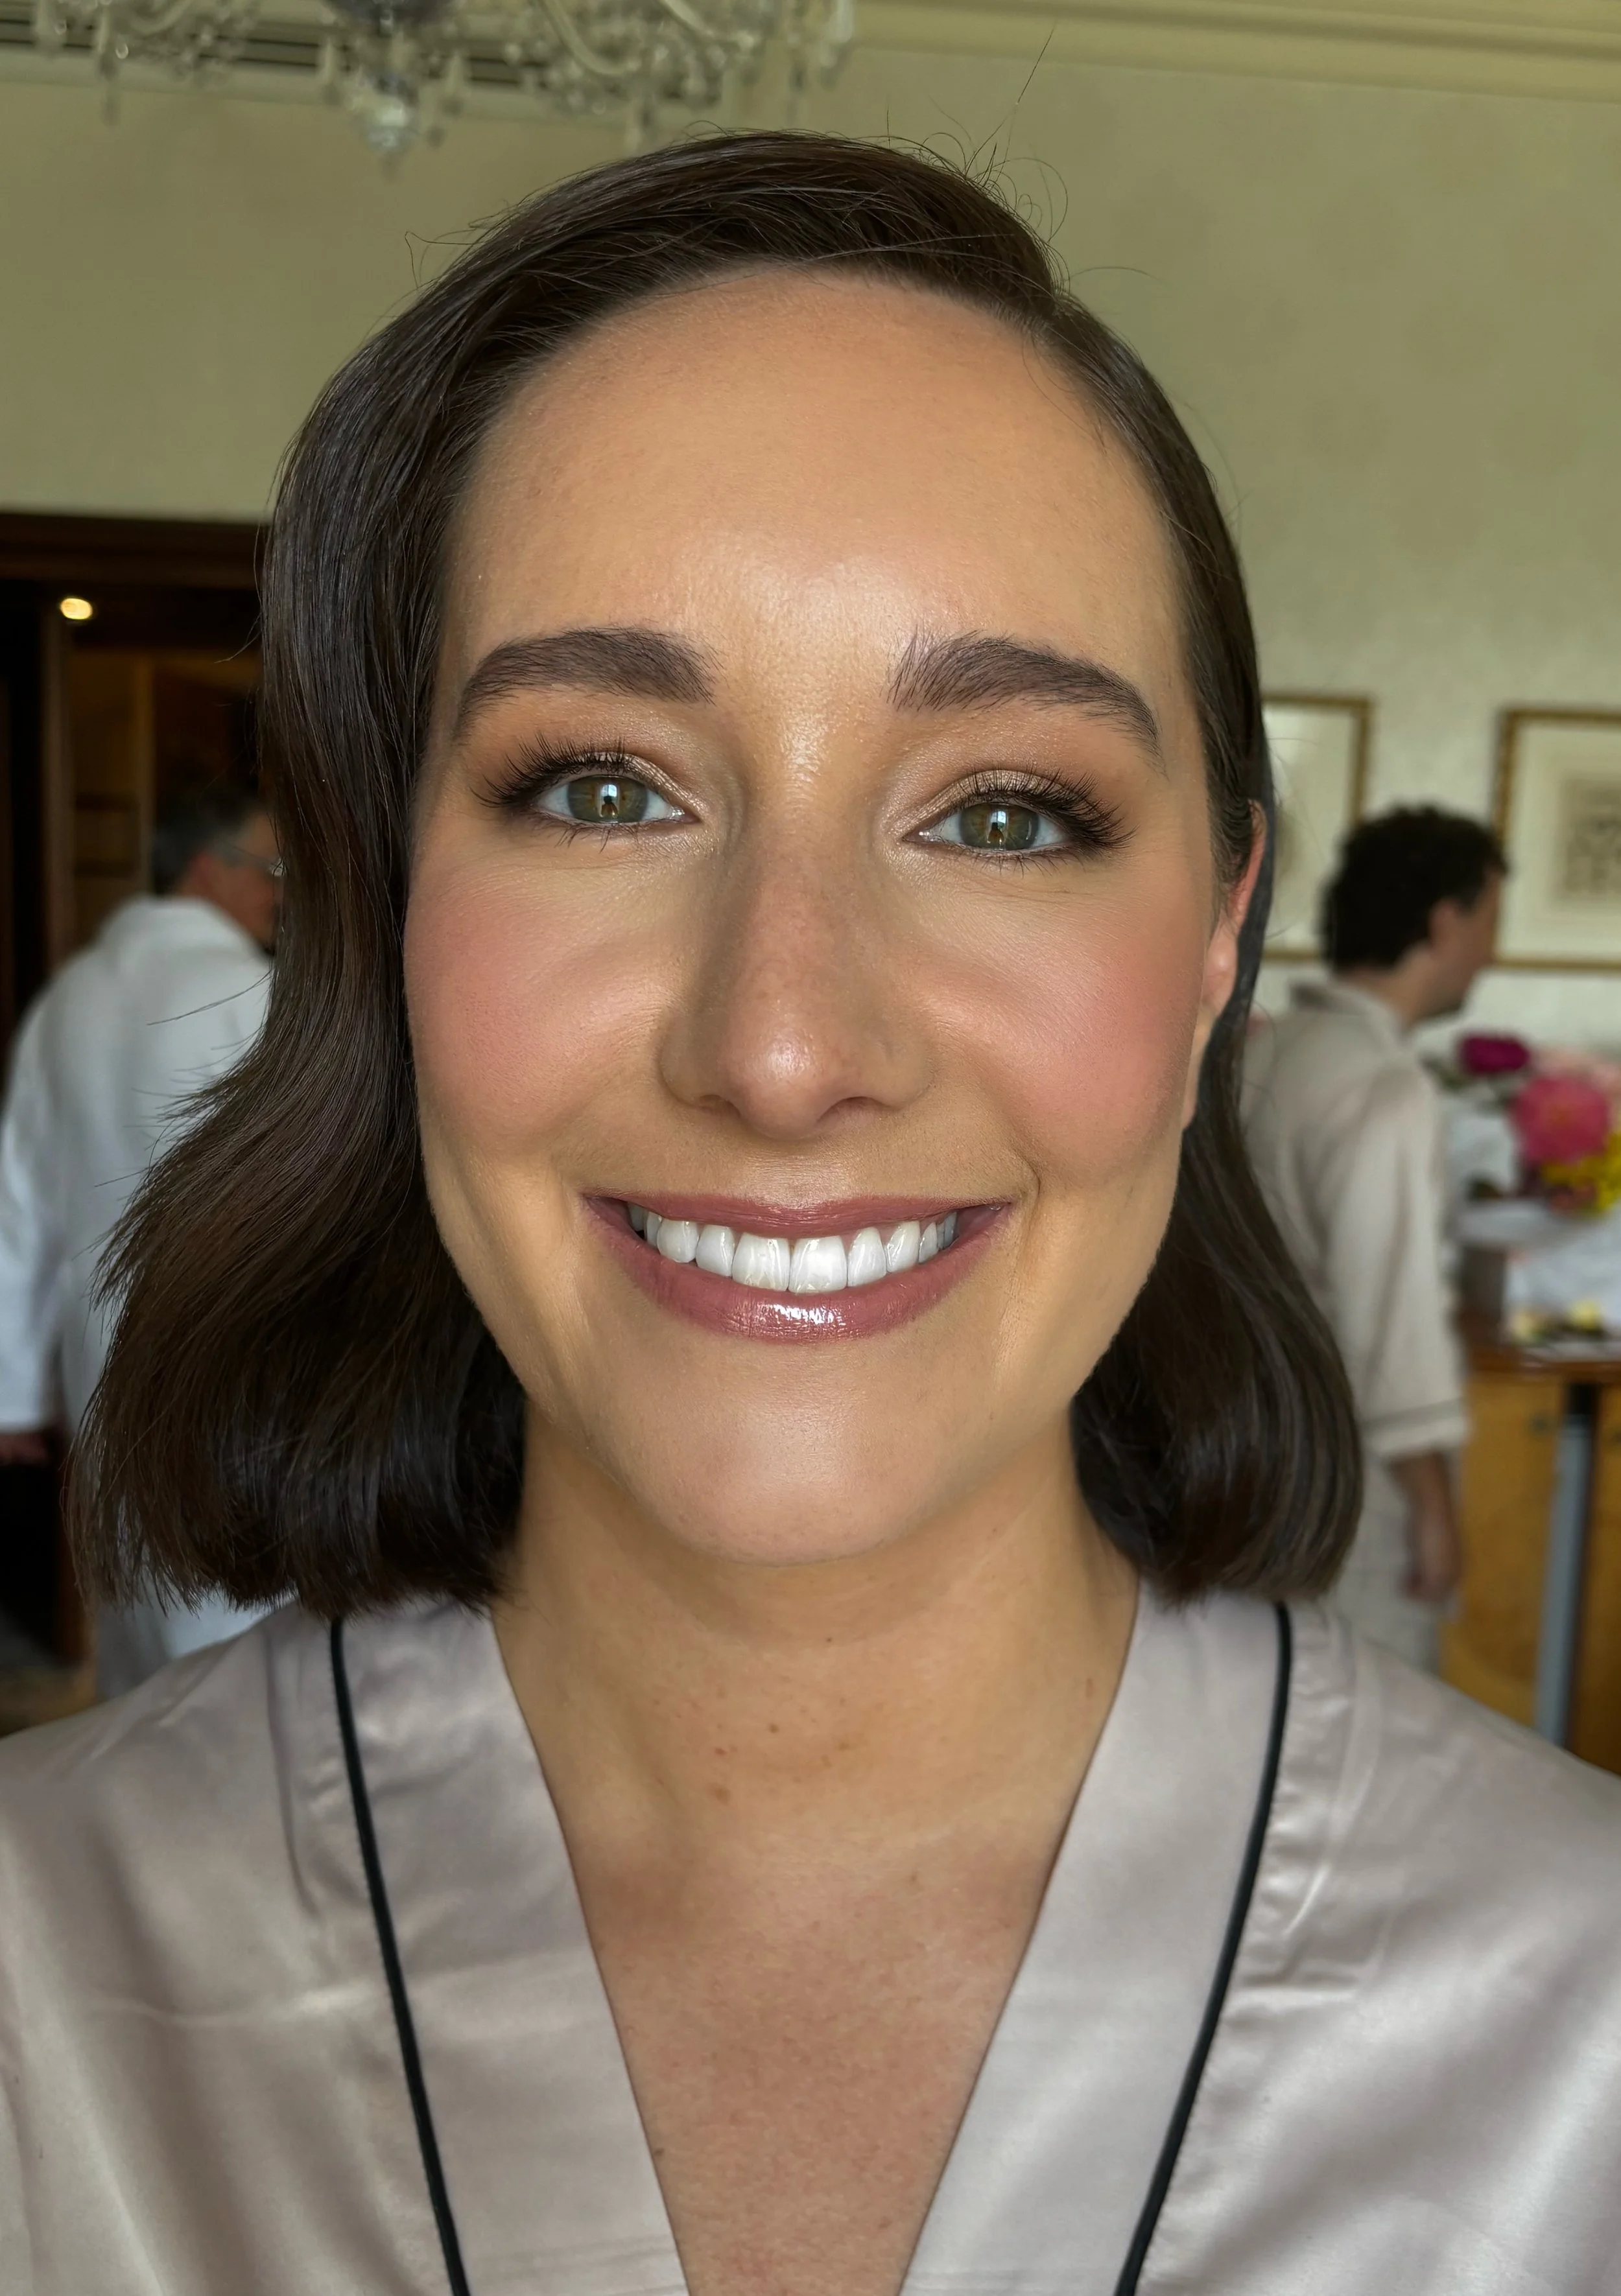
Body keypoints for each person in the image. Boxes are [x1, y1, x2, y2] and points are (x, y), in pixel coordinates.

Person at [1, 137, 1618, 2296]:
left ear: (1218, 933)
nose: (781, 1045)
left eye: (1007, 812)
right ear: (388, 909)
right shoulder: (42, 1976)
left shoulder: (1580, 2019)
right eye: (602, 788)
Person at [0, 780, 279, 1691]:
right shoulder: (255, 994)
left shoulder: (70, 998)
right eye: (269, 867)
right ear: (204, 868)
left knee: (138, 1596)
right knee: (242, 1619)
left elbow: (20, 1191)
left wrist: (11, 1388)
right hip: (229, 1352)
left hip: (100, 1349)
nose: (280, 889)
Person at [1244, 808, 1505, 1672]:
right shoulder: (1384, 1088)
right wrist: (1432, 1505)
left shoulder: (1268, 1053)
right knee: (1362, 1706)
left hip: (1246, 1451)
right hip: (1350, 1477)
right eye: (1489, 922)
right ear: (1446, 921)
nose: (1490, 953)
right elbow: (1392, 1323)